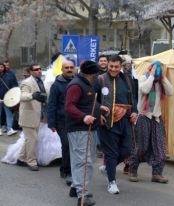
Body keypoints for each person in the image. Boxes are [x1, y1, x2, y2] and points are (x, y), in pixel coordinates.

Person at [66, 60, 109, 206]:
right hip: (80, 129)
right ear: (91, 74)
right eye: (97, 72)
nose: (98, 75)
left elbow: (88, 102)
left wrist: (100, 107)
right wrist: (84, 117)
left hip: (85, 129)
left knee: (79, 159)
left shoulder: (85, 83)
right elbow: (69, 106)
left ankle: (75, 187)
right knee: (84, 162)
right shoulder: (76, 85)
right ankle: (83, 195)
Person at [97, 55, 137, 194]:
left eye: (116, 67)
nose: (113, 69)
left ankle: (108, 167)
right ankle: (112, 182)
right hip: (107, 122)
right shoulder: (100, 79)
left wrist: (135, 112)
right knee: (112, 153)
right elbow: (92, 99)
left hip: (125, 120)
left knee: (126, 150)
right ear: (107, 65)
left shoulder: (126, 79)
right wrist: (99, 112)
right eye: (111, 66)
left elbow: (133, 98)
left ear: (120, 66)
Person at [128, 61, 173, 184]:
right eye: (157, 69)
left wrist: (163, 77)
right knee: (141, 147)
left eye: (160, 69)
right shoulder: (143, 78)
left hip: (156, 118)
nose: (159, 71)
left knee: (160, 147)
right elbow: (145, 89)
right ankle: (132, 169)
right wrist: (152, 75)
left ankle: (157, 174)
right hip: (143, 117)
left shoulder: (160, 83)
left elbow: (170, 92)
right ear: (150, 69)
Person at [48, 61, 75, 186]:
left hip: (75, 120)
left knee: (71, 146)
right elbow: (52, 104)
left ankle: (65, 168)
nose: (69, 69)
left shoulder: (77, 82)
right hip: (61, 121)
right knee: (66, 144)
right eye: (66, 68)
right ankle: (67, 170)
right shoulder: (56, 85)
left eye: (71, 67)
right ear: (62, 69)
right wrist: (51, 123)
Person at [17, 64, 47, 171]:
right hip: (28, 116)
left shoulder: (40, 80)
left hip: (38, 114)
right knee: (32, 140)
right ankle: (31, 161)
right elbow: (22, 96)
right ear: (31, 72)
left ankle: (21, 158)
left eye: (40, 69)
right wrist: (32, 95)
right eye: (36, 69)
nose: (39, 71)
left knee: (29, 139)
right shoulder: (26, 82)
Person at [0, 62, 18, 136]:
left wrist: (13, 95)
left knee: (9, 114)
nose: (1, 68)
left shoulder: (8, 76)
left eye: (2, 67)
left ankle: (10, 129)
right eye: (0, 67)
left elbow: (13, 86)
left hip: (7, 99)